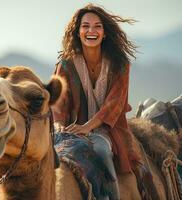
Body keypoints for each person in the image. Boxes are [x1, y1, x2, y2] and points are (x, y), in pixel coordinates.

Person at [52, 4, 146, 200]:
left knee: (102, 151)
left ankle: (111, 196)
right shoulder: (66, 64)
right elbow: (60, 102)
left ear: (104, 33)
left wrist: (87, 127)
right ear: (78, 32)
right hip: (72, 128)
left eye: (97, 26)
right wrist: (60, 125)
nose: (91, 31)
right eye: (85, 26)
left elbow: (114, 104)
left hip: (107, 129)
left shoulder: (120, 64)